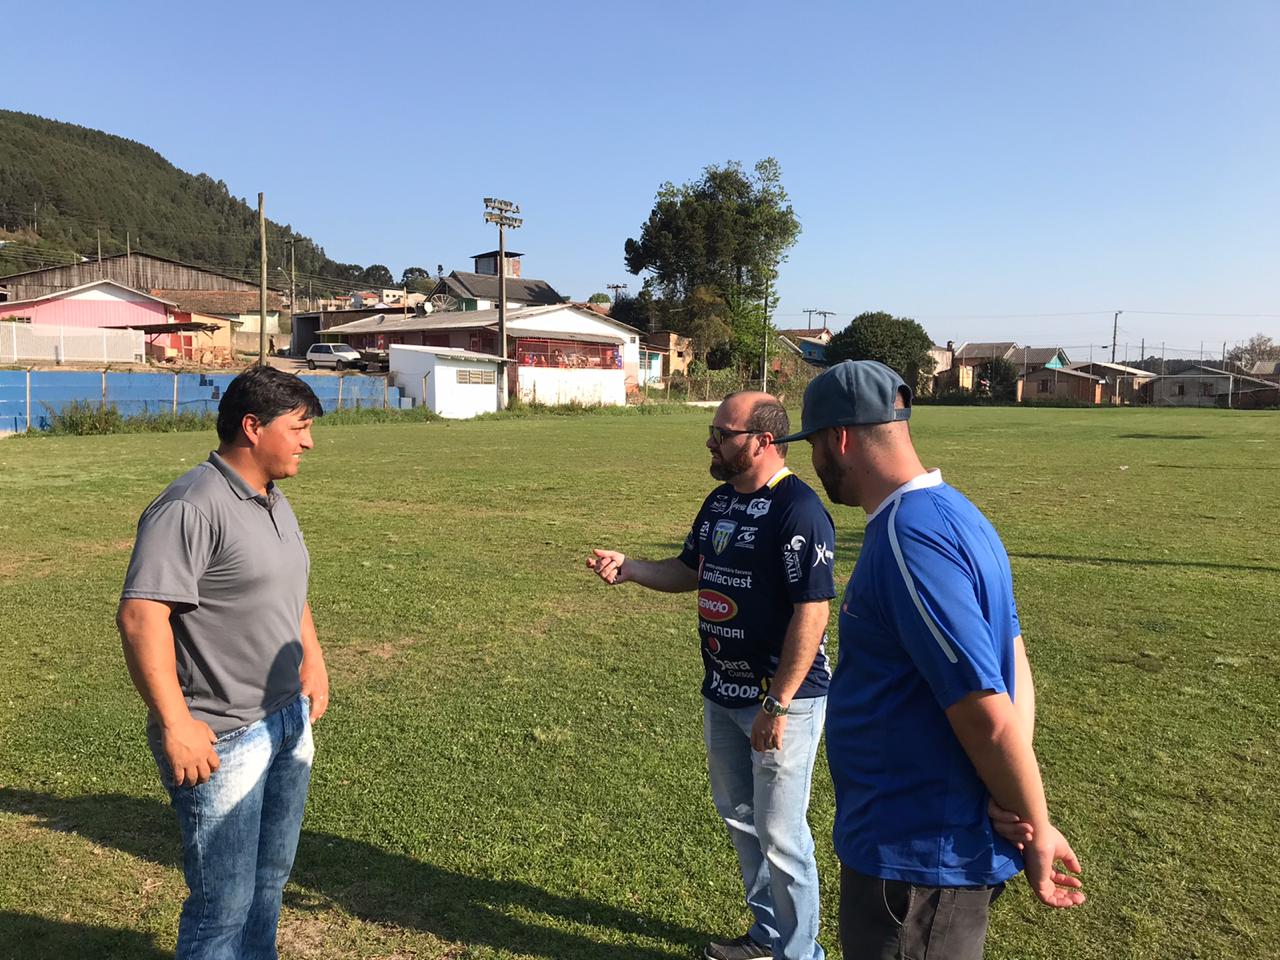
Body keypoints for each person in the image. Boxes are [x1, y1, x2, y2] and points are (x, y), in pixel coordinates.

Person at [776, 360, 1084, 960]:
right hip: (926, 848)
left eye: (813, 444)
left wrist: (1035, 823)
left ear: (839, 438)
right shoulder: (961, 514)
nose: (814, 463)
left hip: (916, 860)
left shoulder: (907, 538)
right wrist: (1011, 801)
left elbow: (985, 710)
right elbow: (1013, 659)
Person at [587, 391, 836, 960]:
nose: (711, 440)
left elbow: (813, 612)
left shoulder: (797, 510)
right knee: (743, 821)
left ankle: (799, 956)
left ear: (763, 441)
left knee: (782, 836)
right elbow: (690, 570)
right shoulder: (720, 502)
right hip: (721, 690)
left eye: (724, 432)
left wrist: (777, 704)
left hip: (780, 702)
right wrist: (630, 569)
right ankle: (767, 938)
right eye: (714, 429)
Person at [117, 365, 330, 960]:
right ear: (252, 427)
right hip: (224, 737)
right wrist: (176, 724)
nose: (309, 442)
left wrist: (311, 659)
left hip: (286, 720)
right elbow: (141, 617)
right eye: (300, 428)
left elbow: (288, 586)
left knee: (268, 885)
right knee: (223, 906)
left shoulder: (269, 497)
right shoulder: (191, 504)